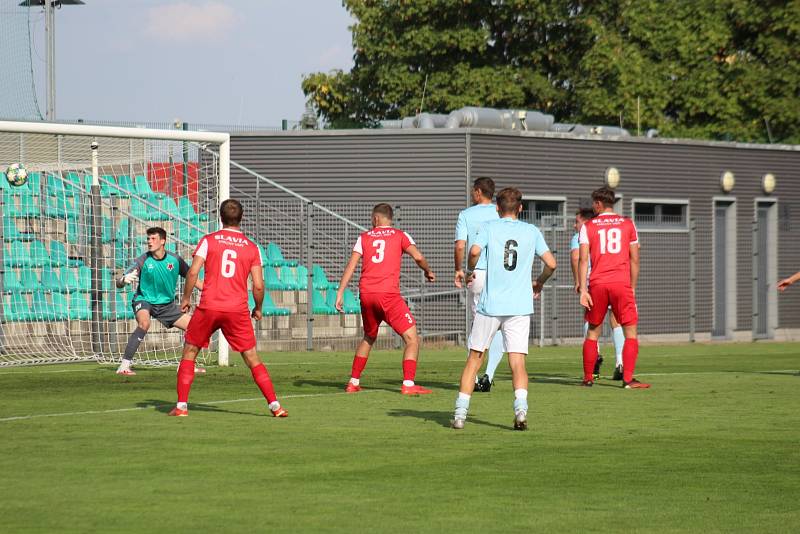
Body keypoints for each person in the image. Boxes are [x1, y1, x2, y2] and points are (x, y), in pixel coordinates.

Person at [168, 199, 288, 417]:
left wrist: (185, 297)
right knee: (251, 357)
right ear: (241, 218)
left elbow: (193, 272)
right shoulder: (252, 248)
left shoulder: (209, 240)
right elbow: (259, 285)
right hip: (237, 309)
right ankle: (275, 406)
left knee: (190, 351)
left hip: (210, 306)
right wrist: (258, 308)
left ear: (220, 217)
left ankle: (182, 406)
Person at [451, 187, 556, 430]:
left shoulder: (490, 227)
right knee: (517, 362)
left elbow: (474, 251)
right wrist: (539, 281)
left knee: (474, 358)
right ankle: (520, 411)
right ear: (521, 208)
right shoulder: (531, 230)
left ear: (497, 208)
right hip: (519, 306)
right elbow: (551, 263)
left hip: (491, 305)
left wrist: (469, 270)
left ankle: (460, 414)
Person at [335, 203, 436, 395]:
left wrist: (340, 291)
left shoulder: (363, 237)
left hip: (366, 294)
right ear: (390, 218)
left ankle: (353, 381)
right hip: (388, 296)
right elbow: (418, 256)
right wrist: (428, 271)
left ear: (375, 219)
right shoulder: (400, 235)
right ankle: (408, 384)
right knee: (412, 339)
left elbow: (351, 265)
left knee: (369, 336)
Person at [578, 187, 649, 389]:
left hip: (598, 284)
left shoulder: (588, 226)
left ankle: (588, 378)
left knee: (593, 331)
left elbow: (583, 260)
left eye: (594, 203)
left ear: (599, 204)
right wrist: (632, 287)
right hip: (621, 283)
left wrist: (584, 289)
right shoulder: (628, 224)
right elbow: (635, 259)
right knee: (630, 331)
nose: (592, 207)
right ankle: (627, 379)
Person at [115, 227, 204, 376]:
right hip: (144, 300)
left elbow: (192, 277)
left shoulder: (175, 260)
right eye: (148, 239)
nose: (149, 242)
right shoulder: (143, 260)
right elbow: (119, 282)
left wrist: (208, 290)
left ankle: (185, 366)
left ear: (163, 241)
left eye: (153, 238)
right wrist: (123, 280)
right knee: (144, 323)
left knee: (196, 328)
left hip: (166, 305)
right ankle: (124, 366)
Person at [454, 177, 505, 392]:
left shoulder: (466, 215)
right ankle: (489, 375)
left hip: (478, 274)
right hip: (500, 274)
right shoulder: (500, 213)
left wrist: (459, 269)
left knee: (478, 327)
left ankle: (473, 377)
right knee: (500, 325)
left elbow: (460, 246)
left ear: (477, 192)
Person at [570, 208, 626, 381]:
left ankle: (594, 357)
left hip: (593, 282)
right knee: (616, 320)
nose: (574, 225)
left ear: (585, 222)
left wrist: (578, 281)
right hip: (615, 280)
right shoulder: (613, 229)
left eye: (577, 221)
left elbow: (576, 258)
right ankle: (620, 362)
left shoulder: (583, 234)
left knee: (592, 321)